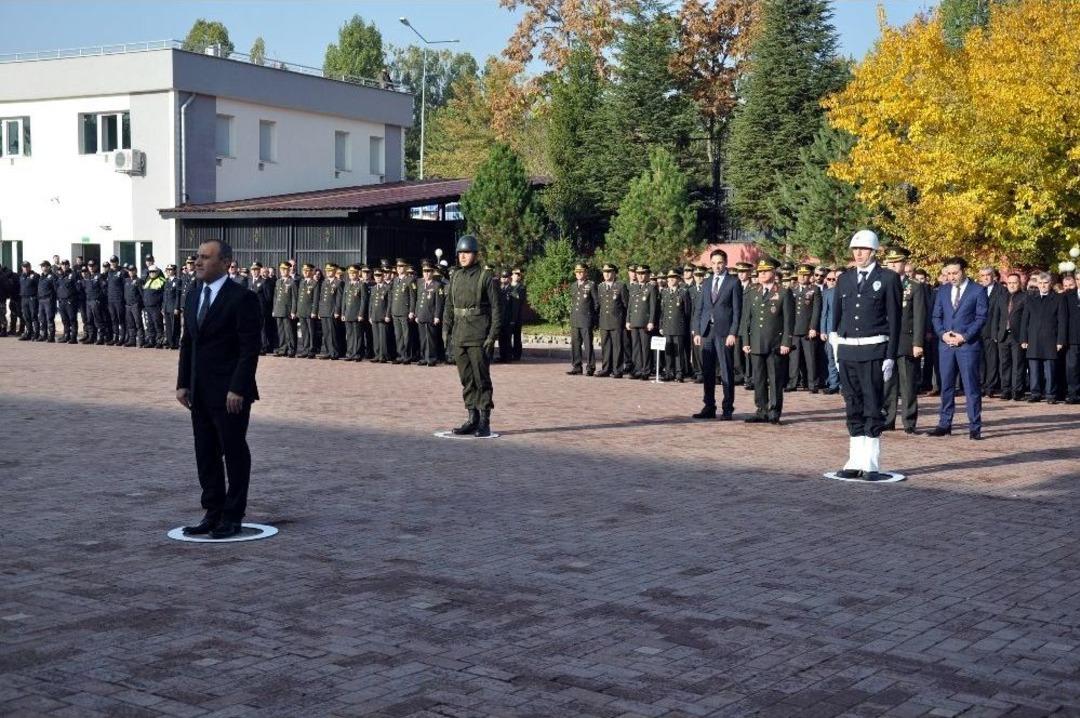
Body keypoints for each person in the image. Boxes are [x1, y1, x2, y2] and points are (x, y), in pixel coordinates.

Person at [176, 238, 262, 540]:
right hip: (199, 391)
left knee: (233, 451)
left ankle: (232, 515)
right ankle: (212, 511)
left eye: (205, 257)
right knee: (205, 453)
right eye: (197, 256)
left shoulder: (242, 298)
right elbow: (189, 341)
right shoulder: (193, 294)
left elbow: (249, 349)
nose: (197, 262)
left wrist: (238, 388)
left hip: (230, 395)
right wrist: (183, 382)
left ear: (225, 263)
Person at [830, 230, 902, 479]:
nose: (858, 254)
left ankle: (870, 462)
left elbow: (895, 320)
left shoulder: (889, 278)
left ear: (873, 252)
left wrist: (890, 355)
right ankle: (854, 460)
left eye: (863, 250)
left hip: (874, 349)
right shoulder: (845, 279)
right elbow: (836, 317)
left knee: (872, 403)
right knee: (852, 403)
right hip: (848, 349)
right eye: (855, 250)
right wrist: (836, 346)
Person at [443, 235, 501, 437]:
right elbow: (449, 307)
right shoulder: (456, 276)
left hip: (478, 335)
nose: (462, 256)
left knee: (481, 379)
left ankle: (484, 420)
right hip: (460, 334)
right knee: (466, 379)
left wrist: (491, 337)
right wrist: (446, 332)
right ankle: (472, 417)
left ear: (475, 255)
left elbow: (496, 310)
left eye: (466, 253)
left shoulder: (485, 277)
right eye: (460, 253)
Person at [929, 257, 989, 440]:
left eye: (955, 273)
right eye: (948, 273)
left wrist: (964, 336)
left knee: (971, 387)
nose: (952, 277)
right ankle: (945, 424)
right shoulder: (942, 290)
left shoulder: (978, 290)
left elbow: (981, 317)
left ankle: (974, 427)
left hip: (967, 346)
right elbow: (936, 316)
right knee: (946, 386)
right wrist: (942, 334)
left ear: (964, 271)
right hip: (946, 345)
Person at [739, 258, 794, 424]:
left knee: (775, 378)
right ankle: (761, 410)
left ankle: (774, 411)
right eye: (760, 272)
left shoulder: (784, 292)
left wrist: (786, 342)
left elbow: (789, 321)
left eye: (765, 271)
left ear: (774, 273)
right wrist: (745, 341)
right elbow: (746, 319)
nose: (762, 274)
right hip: (756, 342)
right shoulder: (753, 292)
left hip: (775, 343)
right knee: (759, 378)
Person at [692, 249, 742, 419]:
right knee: (707, 371)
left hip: (724, 332)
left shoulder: (733, 282)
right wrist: (697, 330)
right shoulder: (706, 282)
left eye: (719, 262)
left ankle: (727, 408)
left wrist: (733, 333)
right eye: (713, 263)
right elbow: (700, 308)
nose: (716, 266)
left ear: (725, 263)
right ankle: (709, 406)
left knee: (726, 371)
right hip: (707, 332)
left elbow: (737, 311)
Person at [882, 248, 926, 434]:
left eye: (897, 262)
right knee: (887, 383)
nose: (893, 265)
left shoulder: (914, 286)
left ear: (904, 263)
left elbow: (919, 317)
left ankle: (909, 422)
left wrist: (918, 343)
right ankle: (887, 419)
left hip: (906, 341)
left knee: (907, 384)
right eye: (890, 262)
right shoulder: (881, 284)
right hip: (885, 341)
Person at [1019, 271, 1066, 404]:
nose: (1043, 285)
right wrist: (1023, 338)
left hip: (1051, 338)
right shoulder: (1030, 298)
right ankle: (1035, 393)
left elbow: (1062, 321)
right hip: (1033, 338)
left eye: (1045, 283)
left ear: (1050, 284)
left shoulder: (1058, 298)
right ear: (1037, 284)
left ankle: (1051, 395)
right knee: (1034, 369)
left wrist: (1060, 340)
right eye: (1040, 283)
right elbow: (1025, 320)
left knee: (1050, 370)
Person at [990, 272, 1027, 400]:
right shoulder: (1001, 297)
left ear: (1019, 283)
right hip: (1003, 336)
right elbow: (996, 317)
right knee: (1004, 364)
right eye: (1010, 283)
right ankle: (1005, 390)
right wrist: (994, 333)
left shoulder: (1025, 297)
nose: (1012, 285)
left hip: (1018, 336)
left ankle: (1017, 391)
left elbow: (1026, 319)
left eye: (1015, 283)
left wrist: (1025, 337)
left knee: (1018, 364)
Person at [787, 263, 822, 392]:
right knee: (794, 359)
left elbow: (816, 310)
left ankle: (813, 384)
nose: (802, 277)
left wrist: (813, 327)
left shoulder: (814, 289)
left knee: (810, 358)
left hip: (808, 330)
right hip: (794, 329)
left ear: (810, 276)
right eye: (800, 274)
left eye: (805, 275)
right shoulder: (792, 289)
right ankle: (793, 383)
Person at [597, 263, 628, 378]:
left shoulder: (620, 286)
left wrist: (625, 320)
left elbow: (626, 304)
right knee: (606, 346)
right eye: (605, 272)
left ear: (614, 273)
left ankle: (617, 370)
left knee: (617, 347)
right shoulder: (600, 286)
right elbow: (600, 304)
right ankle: (606, 369)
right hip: (604, 321)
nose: (606, 274)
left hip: (616, 321)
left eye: (609, 272)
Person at [627, 265, 658, 380]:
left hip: (645, 322)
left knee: (645, 347)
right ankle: (638, 369)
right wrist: (627, 320)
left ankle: (646, 370)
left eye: (643, 273)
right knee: (636, 347)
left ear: (647, 275)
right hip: (634, 321)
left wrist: (651, 321)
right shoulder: (634, 287)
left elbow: (653, 307)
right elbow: (630, 306)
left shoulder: (651, 288)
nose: (640, 276)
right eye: (638, 273)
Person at [977, 267, 1004, 396]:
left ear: (993, 276)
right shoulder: (977, 290)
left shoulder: (1001, 290)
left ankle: (990, 386)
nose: (985, 278)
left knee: (992, 360)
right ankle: (981, 384)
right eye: (982, 275)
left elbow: (1002, 313)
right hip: (977, 331)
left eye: (988, 275)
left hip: (992, 330)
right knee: (980, 360)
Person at [567, 263, 599, 376]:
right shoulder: (574, 285)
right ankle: (576, 366)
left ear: (586, 273)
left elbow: (596, 303)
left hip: (586, 319)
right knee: (575, 344)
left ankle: (590, 367)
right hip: (575, 319)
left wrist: (593, 319)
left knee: (588, 344)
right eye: (577, 272)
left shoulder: (591, 285)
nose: (579, 274)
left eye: (581, 271)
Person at [414, 264, 444, 366]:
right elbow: (418, 301)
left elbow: (439, 303)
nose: (426, 274)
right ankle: (423, 358)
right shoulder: (421, 284)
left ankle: (431, 358)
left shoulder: (437, 285)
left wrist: (437, 316)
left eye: (428, 271)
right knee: (422, 339)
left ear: (432, 272)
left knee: (430, 339)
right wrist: (416, 314)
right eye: (425, 271)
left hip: (430, 316)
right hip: (421, 315)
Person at [819, 269, 841, 394]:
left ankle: (844, 385)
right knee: (831, 358)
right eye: (829, 279)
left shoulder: (846, 291)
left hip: (842, 331)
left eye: (834, 279)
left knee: (842, 358)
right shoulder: (827, 293)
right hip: (829, 330)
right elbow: (824, 313)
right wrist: (823, 330)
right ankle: (834, 384)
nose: (832, 281)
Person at [390, 259, 416, 364]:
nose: (399, 268)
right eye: (398, 267)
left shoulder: (410, 280)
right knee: (398, 335)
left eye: (401, 266)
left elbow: (413, 297)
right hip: (396, 310)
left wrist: (411, 311)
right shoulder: (395, 280)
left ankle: (407, 356)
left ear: (405, 268)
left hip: (405, 311)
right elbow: (392, 296)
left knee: (406, 335)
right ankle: (400, 355)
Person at [272, 262, 298, 357]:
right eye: (282, 269)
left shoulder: (292, 282)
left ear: (289, 270)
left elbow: (294, 298)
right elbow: (275, 297)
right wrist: (274, 309)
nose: (283, 271)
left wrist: (293, 311)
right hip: (278, 309)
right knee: (281, 331)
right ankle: (282, 348)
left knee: (289, 331)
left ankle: (291, 349)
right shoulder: (278, 281)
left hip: (287, 310)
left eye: (285, 269)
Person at [296, 263, 320, 359]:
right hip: (302, 310)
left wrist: (314, 311)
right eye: (304, 271)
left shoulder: (314, 283)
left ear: (311, 272)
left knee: (311, 331)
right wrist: (298, 310)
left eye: (308, 271)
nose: (306, 273)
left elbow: (315, 299)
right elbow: (299, 298)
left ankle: (311, 349)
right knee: (304, 331)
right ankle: (305, 349)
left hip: (310, 310)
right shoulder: (302, 282)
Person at [369, 268, 392, 362]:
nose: (378, 278)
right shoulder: (374, 288)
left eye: (379, 276)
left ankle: (383, 355)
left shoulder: (387, 287)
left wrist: (387, 315)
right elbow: (371, 303)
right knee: (376, 337)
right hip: (374, 315)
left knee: (383, 337)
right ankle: (377, 354)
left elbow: (389, 302)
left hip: (383, 315)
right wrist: (370, 315)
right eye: (376, 276)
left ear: (383, 276)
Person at [141, 265, 166, 348]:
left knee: (157, 324)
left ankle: (159, 341)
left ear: (157, 272)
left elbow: (164, 295)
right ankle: (151, 341)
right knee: (150, 325)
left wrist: (162, 306)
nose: (151, 273)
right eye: (150, 272)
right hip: (147, 307)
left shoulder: (162, 280)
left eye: (153, 271)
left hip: (156, 307)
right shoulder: (148, 280)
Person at [1066, 274, 1080, 404]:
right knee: (1072, 367)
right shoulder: (1068, 296)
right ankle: (1073, 394)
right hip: (1073, 337)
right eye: (1078, 279)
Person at [123, 266, 144, 347]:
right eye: (130, 271)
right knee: (130, 323)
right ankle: (132, 340)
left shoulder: (139, 281)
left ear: (136, 271)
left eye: (132, 270)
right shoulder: (126, 280)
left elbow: (142, 294)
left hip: (136, 305)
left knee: (138, 323)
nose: (131, 272)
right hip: (128, 305)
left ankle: (141, 341)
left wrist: (141, 305)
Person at [36, 260, 57, 342]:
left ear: (49, 267)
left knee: (49, 318)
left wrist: (54, 299)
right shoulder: (41, 276)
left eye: (45, 266)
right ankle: (43, 335)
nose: (43, 267)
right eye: (42, 266)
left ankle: (51, 336)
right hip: (41, 300)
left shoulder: (52, 276)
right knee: (42, 318)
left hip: (49, 300)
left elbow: (55, 289)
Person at [163, 264, 183, 349]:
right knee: (168, 326)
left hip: (173, 307)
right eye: (167, 270)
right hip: (167, 306)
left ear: (174, 271)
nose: (168, 271)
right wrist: (163, 307)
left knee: (175, 325)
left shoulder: (178, 281)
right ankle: (170, 342)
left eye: (170, 269)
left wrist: (176, 307)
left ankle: (175, 343)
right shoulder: (166, 281)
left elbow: (178, 295)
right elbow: (164, 295)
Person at [508, 269, 525, 361]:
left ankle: (517, 355)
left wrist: (510, 292)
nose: (516, 276)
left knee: (517, 337)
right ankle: (509, 353)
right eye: (515, 274)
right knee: (508, 336)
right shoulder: (508, 286)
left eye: (518, 275)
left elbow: (520, 297)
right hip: (509, 314)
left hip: (517, 315)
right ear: (512, 275)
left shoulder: (521, 287)